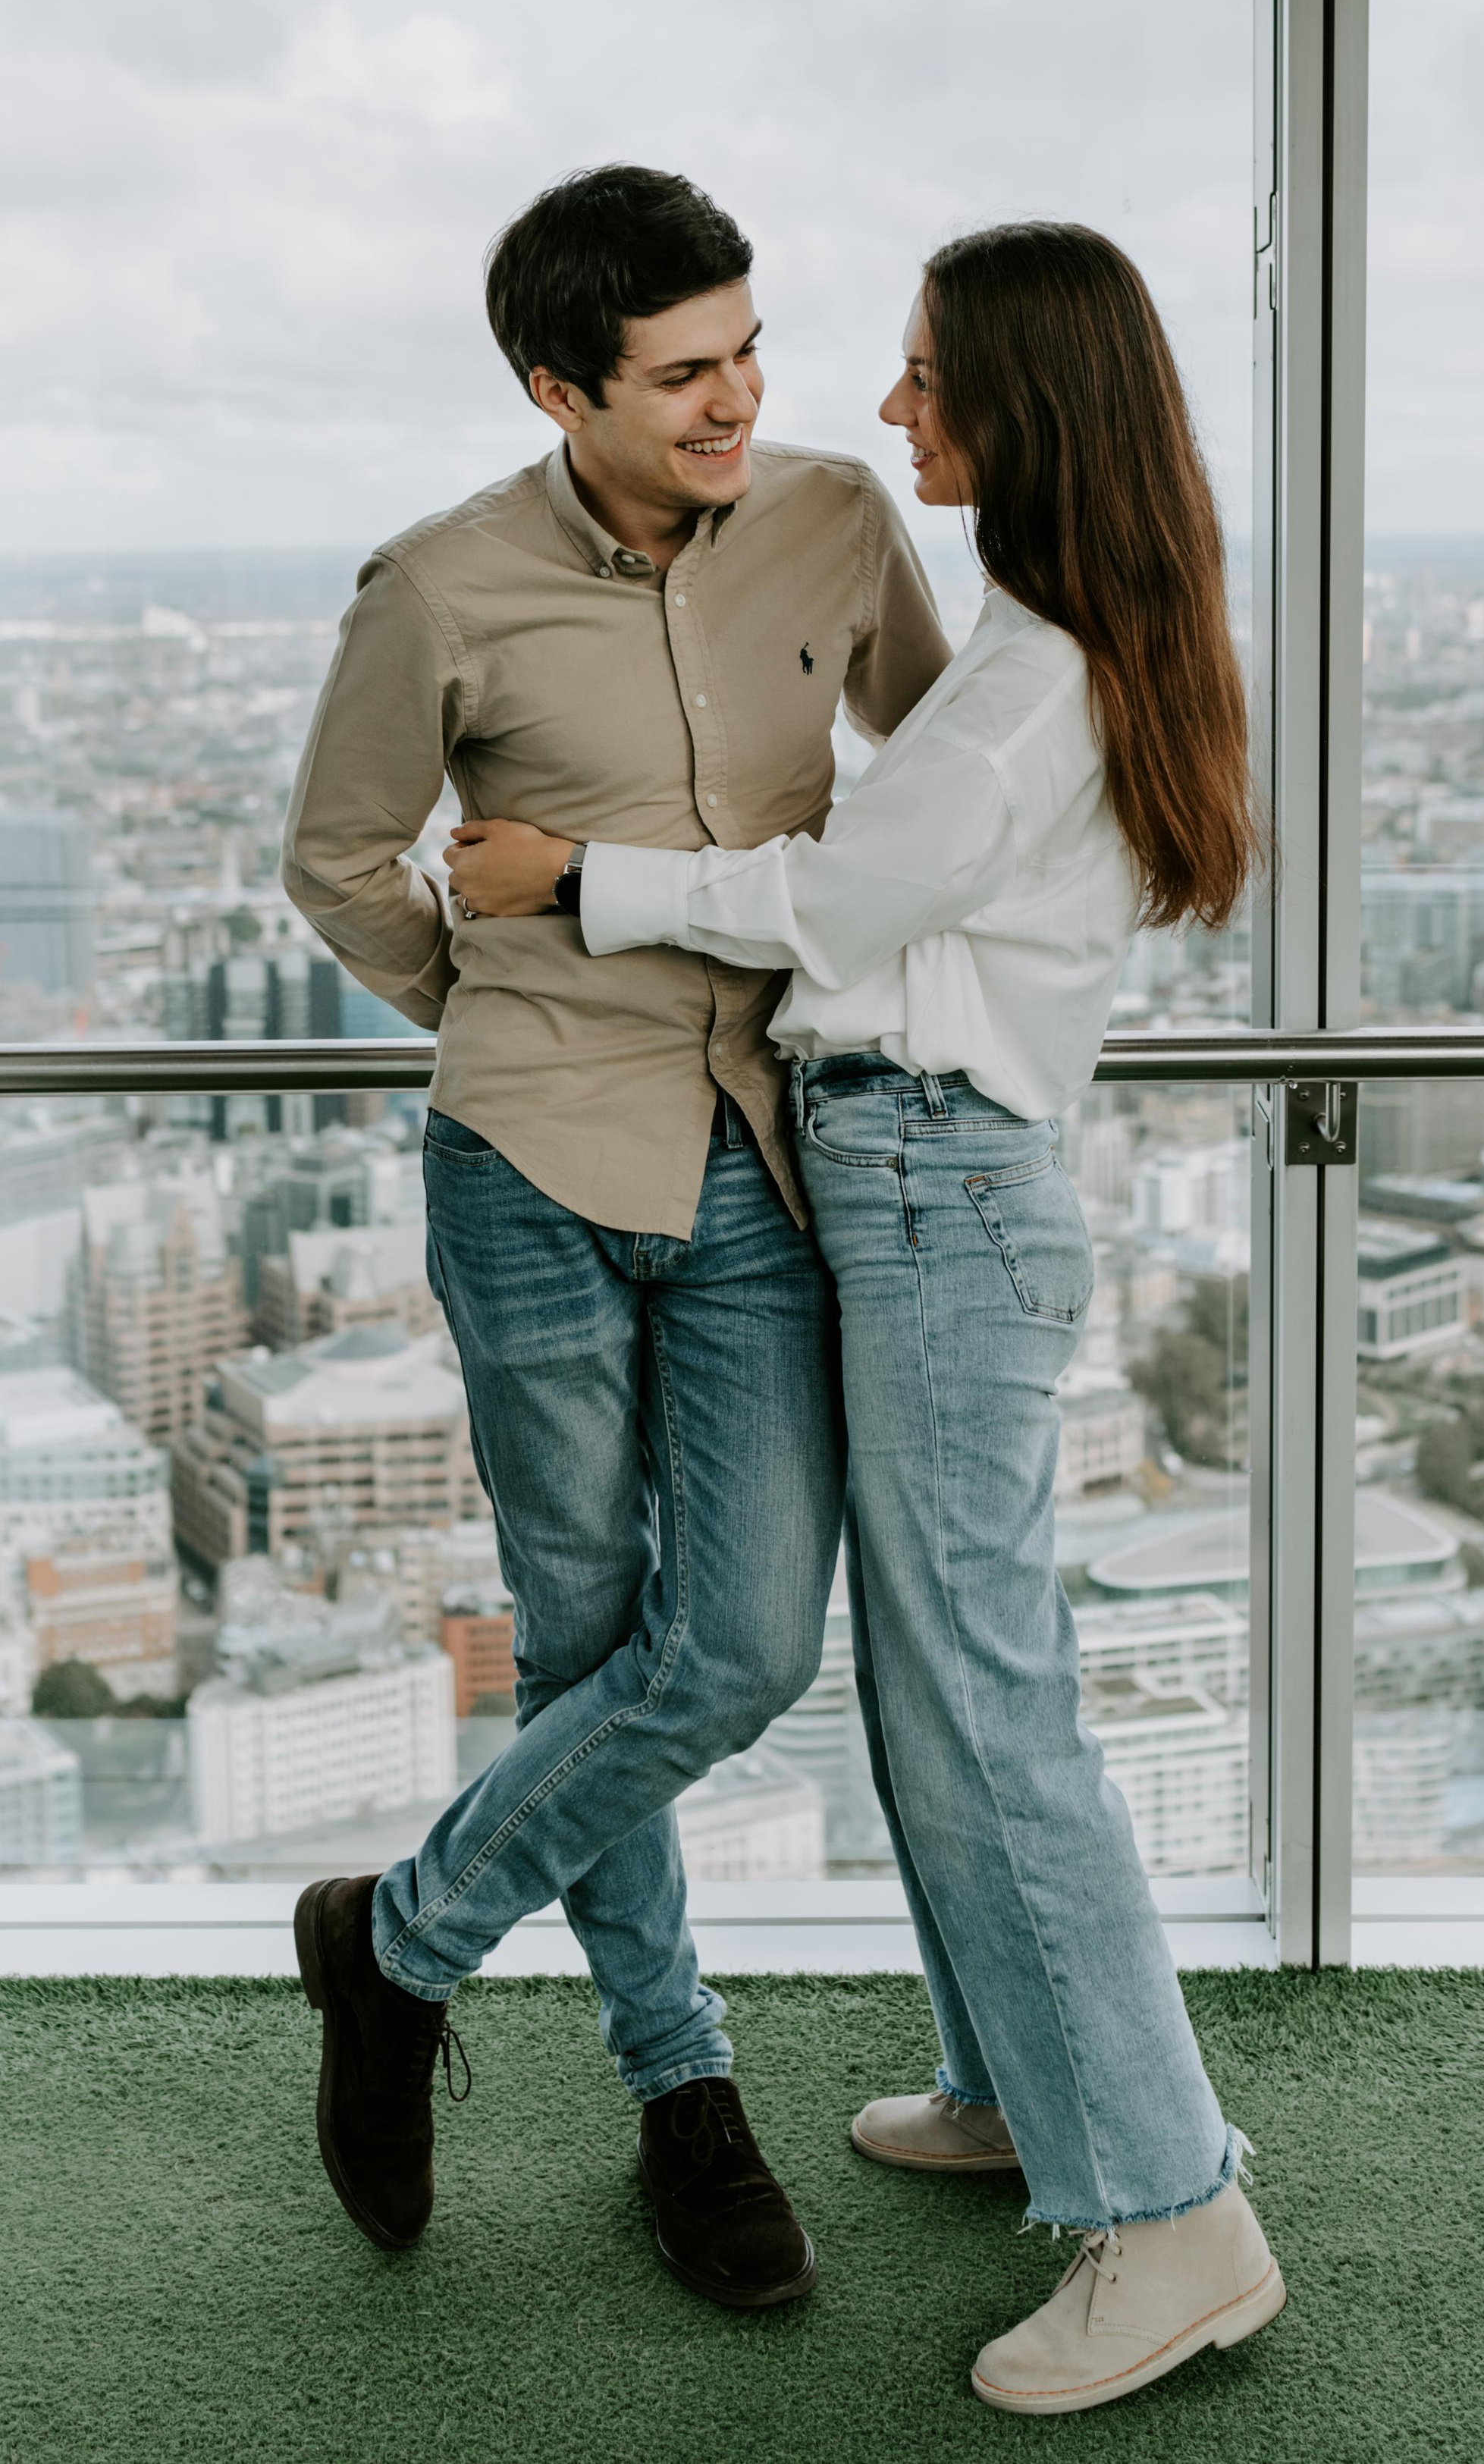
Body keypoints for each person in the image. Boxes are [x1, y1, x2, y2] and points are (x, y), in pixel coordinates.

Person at [444, 221, 1286, 2416]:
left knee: (991, 1712)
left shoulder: (1020, 694)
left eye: (927, 382)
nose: (887, 415)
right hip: (911, 1186)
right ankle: (1023, 2087)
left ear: (1026, 411)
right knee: (941, 1694)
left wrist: (578, 880)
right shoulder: (1056, 638)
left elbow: (835, 898)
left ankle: (1173, 2212)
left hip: (933, 1190)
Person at [281, 165, 951, 2305]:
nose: (741, 396)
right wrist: (488, 1008)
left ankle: (395, 1948)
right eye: (685, 374)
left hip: (765, 1160)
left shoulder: (842, 522)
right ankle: (685, 2093)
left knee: (736, 1651)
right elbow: (337, 855)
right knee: (590, 1652)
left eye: (749, 346)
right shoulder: (441, 585)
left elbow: (941, 790)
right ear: (560, 386)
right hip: (528, 1178)